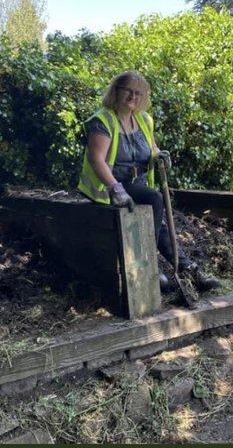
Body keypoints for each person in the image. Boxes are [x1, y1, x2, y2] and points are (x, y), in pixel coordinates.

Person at [76, 71, 217, 292]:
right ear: (116, 91)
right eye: (128, 91)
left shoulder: (143, 120)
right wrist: (116, 188)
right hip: (110, 186)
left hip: (137, 185)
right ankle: (152, 265)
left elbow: (151, 149)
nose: (133, 97)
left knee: (158, 222)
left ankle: (187, 269)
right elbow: (97, 160)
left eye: (139, 93)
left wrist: (159, 155)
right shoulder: (102, 120)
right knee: (154, 199)